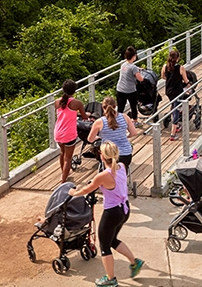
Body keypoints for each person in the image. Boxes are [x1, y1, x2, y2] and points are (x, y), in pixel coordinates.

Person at [69, 141, 143, 286]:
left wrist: (73, 193)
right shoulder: (122, 166)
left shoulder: (103, 175)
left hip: (112, 213)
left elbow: (87, 190)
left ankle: (110, 279)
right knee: (112, 239)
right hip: (124, 209)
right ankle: (134, 262)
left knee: (104, 246)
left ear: (102, 156)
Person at [87, 96, 137, 170]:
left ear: (103, 107)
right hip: (125, 155)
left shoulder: (99, 122)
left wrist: (97, 137)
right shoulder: (124, 117)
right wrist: (124, 135)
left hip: (108, 155)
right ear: (115, 106)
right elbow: (134, 133)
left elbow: (90, 139)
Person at [54, 80, 88, 183]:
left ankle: (63, 174)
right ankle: (63, 181)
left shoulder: (57, 102)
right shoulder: (77, 103)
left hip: (58, 132)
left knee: (62, 153)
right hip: (69, 134)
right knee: (68, 158)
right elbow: (84, 117)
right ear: (74, 91)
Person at [161, 50, 190, 141]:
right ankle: (173, 134)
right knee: (176, 110)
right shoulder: (181, 68)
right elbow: (186, 80)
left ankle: (176, 126)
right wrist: (189, 85)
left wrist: (171, 79)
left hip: (169, 91)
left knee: (174, 106)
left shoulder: (165, 66)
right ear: (177, 58)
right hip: (177, 92)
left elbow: (163, 77)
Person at [116, 47, 144, 128]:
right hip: (130, 90)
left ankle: (118, 122)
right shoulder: (133, 67)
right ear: (134, 56)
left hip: (120, 89)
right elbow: (140, 79)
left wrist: (137, 69)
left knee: (120, 108)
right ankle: (135, 121)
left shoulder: (123, 64)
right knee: (133, 106)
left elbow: (129, 68)